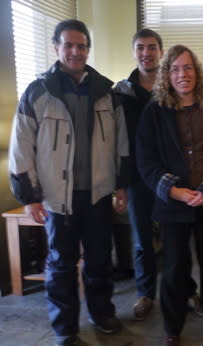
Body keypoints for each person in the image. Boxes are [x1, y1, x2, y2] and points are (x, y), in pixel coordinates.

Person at [8, 20, 129, 346]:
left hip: (98, 194)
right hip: (56, 198)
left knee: (100, 260)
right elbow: (21, 149)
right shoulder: (38, 92)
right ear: (56, 47)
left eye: (82, 46)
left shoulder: (106, 91)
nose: (75, 52)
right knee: (61, 265)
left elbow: (121, 145)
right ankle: (65, 329)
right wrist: (29, 196)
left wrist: (121, 186)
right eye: (69, 45)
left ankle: (101, 314)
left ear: (88, 49)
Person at [136, 44, 203, 346]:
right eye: (176, 68)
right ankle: (172, 329)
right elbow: (146, 159)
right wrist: (173, 190)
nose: (183, 74)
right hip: (173, 205)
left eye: (188, 68)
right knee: (173, 271)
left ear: (198, 72)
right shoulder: (154, 111)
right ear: (167, 74)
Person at [114, 28, 203, 321]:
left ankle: (186, 290)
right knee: (142, 239)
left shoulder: (174, 88)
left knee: (179, 238)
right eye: (140, 47)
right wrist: (121, 184)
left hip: (174, 177)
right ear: (134, 52)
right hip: (139, 176)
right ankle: (145, 293)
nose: (146, 53)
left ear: (161, 52)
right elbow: (117, 139)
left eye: (152, 47)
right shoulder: (122, 92)